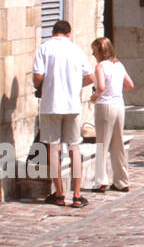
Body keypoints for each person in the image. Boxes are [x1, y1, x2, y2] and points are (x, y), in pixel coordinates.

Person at [32, 20, 95, 207]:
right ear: (68, 33)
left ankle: (59, 194)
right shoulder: (76, 50)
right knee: (74, 148)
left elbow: (37, 76)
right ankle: (76, 195)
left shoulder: (45, 48)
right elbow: (90, 77)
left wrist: (42, 87)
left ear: (53, 32)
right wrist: (75, 86)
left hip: (50, 104)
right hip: (72, 104)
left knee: (53, 148)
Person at [89, 37, 134, 193]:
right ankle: (122, 180)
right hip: (118, 105)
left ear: (100, 51)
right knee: (118, 144)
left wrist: (94, 96)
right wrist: (115, 90)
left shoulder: (100, 66)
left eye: (94, 50)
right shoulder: (119, 65)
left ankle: (101, 181)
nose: (92, 53)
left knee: (102, 143)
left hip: (105, 106)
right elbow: (130, 85)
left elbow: (100, 87)